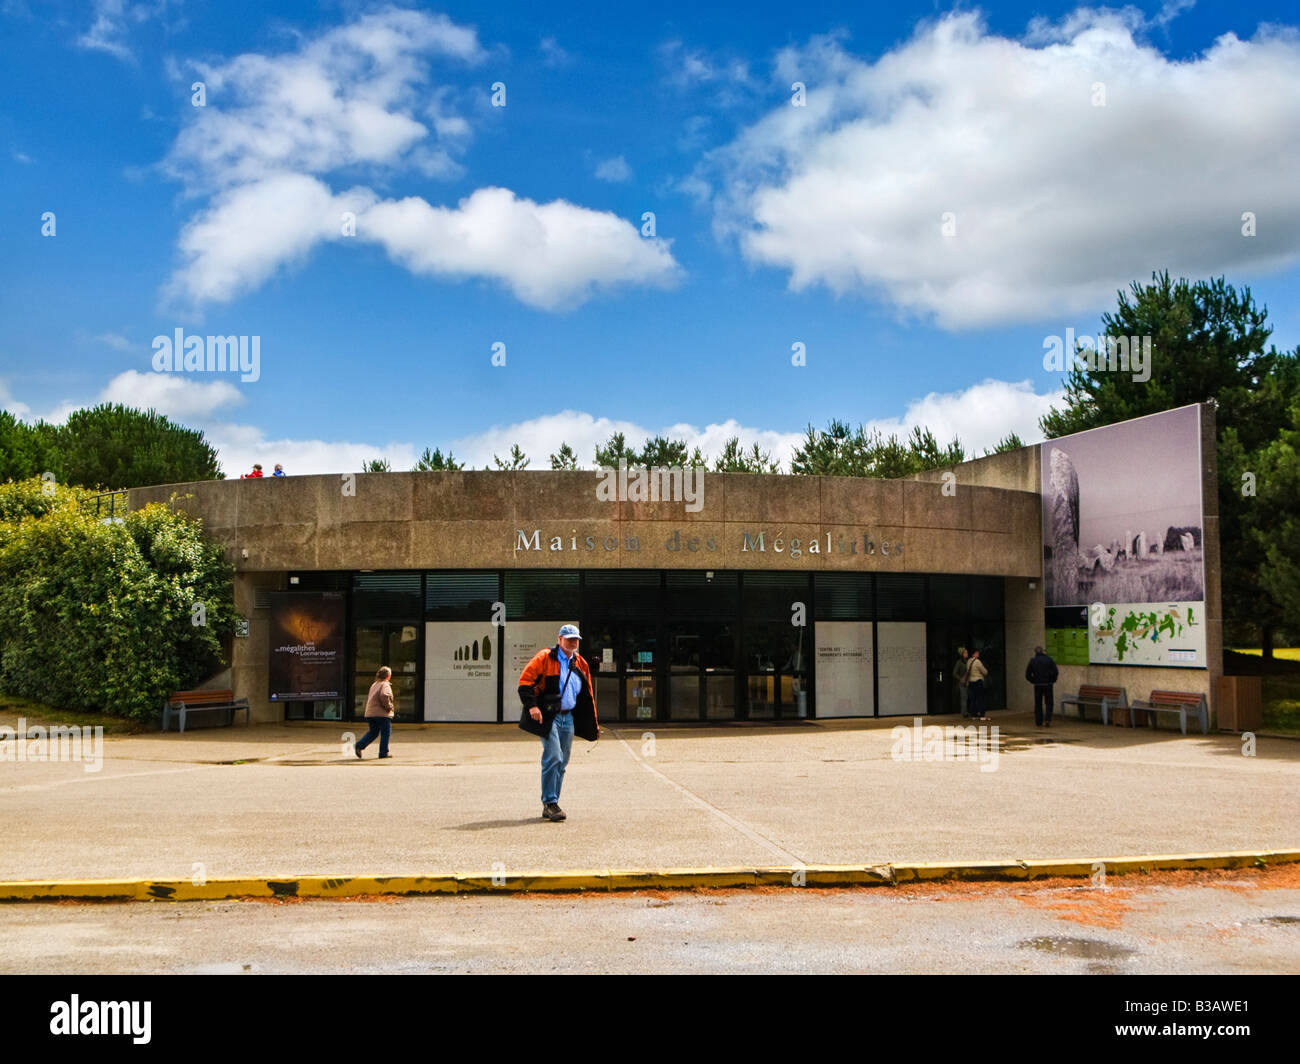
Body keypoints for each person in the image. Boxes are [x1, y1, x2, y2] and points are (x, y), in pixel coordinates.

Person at [517, 624, 598, 822]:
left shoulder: (580, 663)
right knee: (553, 755)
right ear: (559, 639)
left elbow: (587, 694)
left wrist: (591, 722)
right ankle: (550, 802)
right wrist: (532, 707)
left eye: (576, 639)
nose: (573, 642)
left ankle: (553, 804)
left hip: (568, 716)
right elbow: (525, 683)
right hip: (549, 716)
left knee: (563, 761)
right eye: (569, 638)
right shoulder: (545, 657)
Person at [354, 666, 395, 759]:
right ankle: (383, 753)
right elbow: (384, 695)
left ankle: (359, 746)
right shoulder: (385, 684)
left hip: (370, 713)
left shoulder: (374, 684)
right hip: (381, 714)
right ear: (388, 676)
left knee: (373, 732)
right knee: (386, 732)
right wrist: (389, 707)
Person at [1025, 645, 1059, 727]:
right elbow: (1056, 671)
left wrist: (1033, 681)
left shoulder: (1033, 661)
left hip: (1038, 685)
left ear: (1035, 652)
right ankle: (1047, 719)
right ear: (1043, 651)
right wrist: (1052, 680)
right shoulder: (1049, 660)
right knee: (1049, 702)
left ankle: (1038, 721)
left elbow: (1027, 674)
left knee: (1038, 703)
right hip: (1048, 684)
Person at [966, 648, 989, 721]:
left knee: (973, 698)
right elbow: (984, 671)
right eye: (976, 653)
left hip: (971, 682)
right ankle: (982, 714)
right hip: (978, 681)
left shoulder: (968, 661)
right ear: (974, 654)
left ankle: (974, 714)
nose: (978, 654)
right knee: (980, 698)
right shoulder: (977, 661)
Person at [953, 646, 970, 716]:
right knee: (964, 697)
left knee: (966, 697)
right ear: (962, 654)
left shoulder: (968, 661)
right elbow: (954, 673)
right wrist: (960, 679)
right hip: (963, 682)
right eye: (965, 652)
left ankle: (966, 711)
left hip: (969, 681)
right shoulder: (959, 662)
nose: (967, 653)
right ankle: (964, 712)